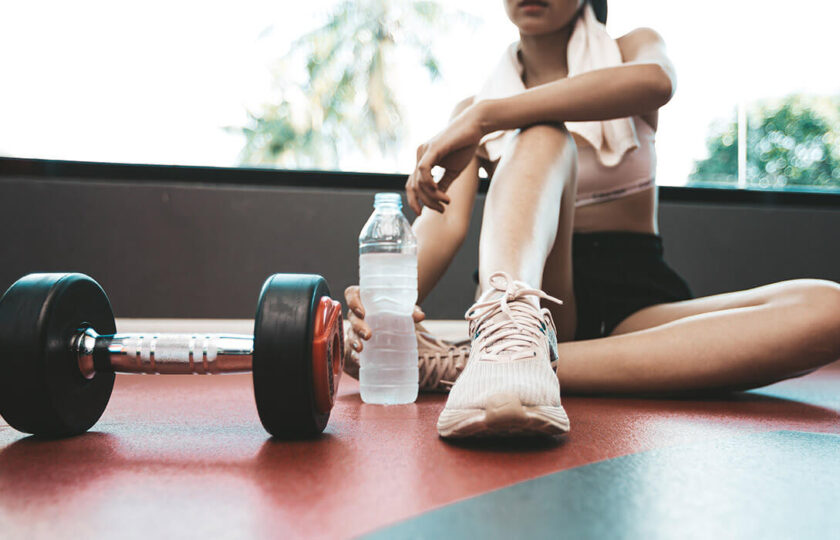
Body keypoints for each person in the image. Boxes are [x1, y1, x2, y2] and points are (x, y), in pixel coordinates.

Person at [344, 0, 840, 439]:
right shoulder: (471, 113)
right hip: (532, 295)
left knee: (829, 309)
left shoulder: (631, 51)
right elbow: (443, 224)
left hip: (636, 304)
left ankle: (470, 363)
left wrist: (489, 117)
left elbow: (655, 83)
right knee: (543, 136)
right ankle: (509, 332)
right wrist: (378, 309)